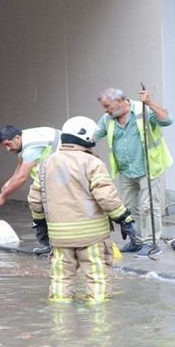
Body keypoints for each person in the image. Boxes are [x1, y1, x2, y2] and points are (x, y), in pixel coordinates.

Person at [28, 116, 136, 303]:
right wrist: (124, 219)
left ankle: (60, 324)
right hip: (92, 237)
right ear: (87, 138)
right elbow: (106, 197)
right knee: (97, 281)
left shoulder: (45, 164)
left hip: (59, 237)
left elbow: (35, 200)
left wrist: (40, 224)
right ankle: (98, 325)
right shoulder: (92, 163)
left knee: (60, 281)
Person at [94, 87, 174, 256]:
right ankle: (136, 241)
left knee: (148, 207)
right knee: (129, 208)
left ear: (118, 102)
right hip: (126, 170)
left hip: (148, 167)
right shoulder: (107, 119)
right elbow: (93, 138)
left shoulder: (141, 110)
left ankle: (151, 243)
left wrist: (150, 102)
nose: (105, 110)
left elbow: (167, 121)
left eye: (107, 106)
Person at [0, 125, 61, 255]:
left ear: (17, 137)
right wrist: (9, 182)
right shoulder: (23, 140)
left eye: (8, 144)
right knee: (36, 203)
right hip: (51, 172)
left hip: (59, 173)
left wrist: (3, 196)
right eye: (4, 146)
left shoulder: (31, 146)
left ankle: (54, 244)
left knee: (46, 206)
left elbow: (22, 177)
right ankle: (48, 244)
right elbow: (20, 164)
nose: (7, 149)